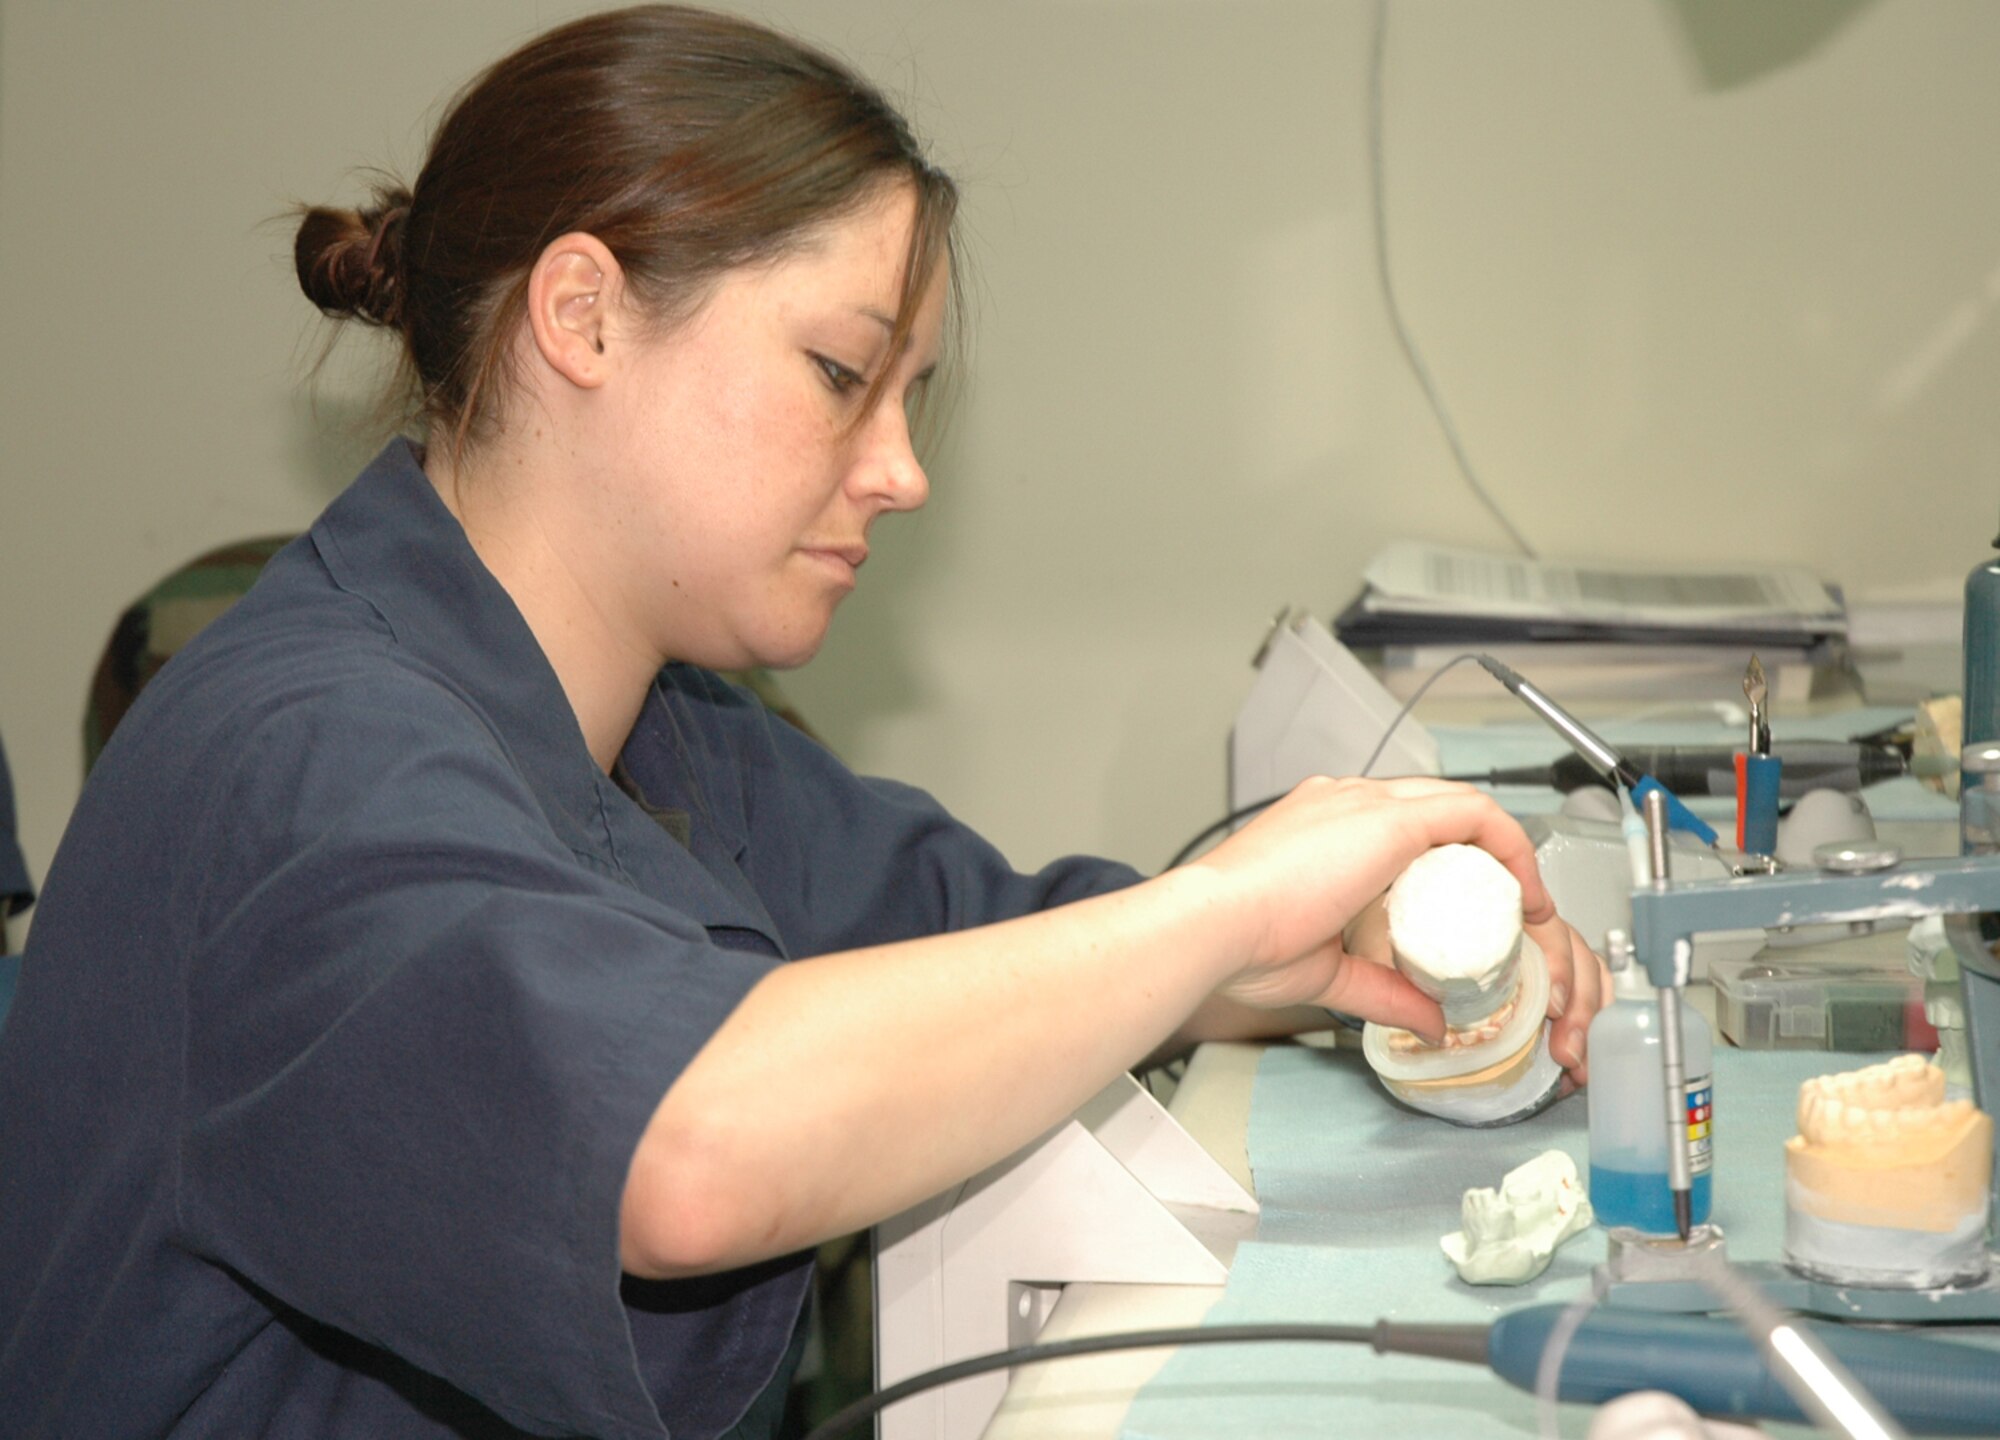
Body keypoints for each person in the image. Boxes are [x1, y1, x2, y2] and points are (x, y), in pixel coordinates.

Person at [0, 7, 1604, 1438]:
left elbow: (1012, 948)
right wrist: (1222, 907)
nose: (901, 470)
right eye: (844, 372)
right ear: (583, 315)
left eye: (910, 396)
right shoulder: (302, 764)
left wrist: (1351, 956)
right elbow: (685, 1150)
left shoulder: (666, 732)